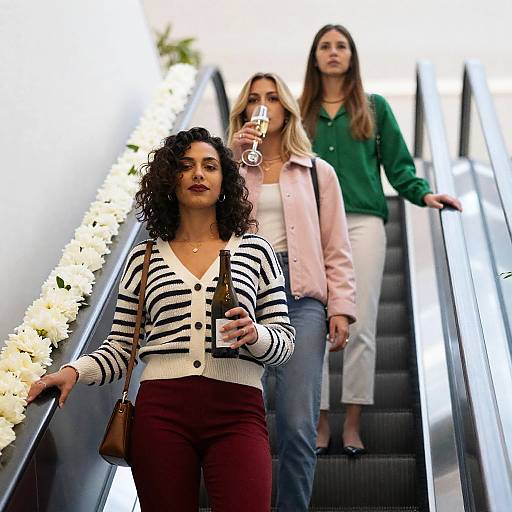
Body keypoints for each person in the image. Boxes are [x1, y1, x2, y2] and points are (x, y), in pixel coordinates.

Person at [27, 127, 296, 512]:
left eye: (210, 166)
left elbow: (285, 341)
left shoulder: (256, 251)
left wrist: (255, 335)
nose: (198, 174)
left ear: (226, 179)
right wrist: (74, 371)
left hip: (239, 411)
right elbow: (122, 347)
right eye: (186, 167)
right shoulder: (145, 258)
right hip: (162, 413)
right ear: (171, 180)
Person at [299, 24, 463, 456]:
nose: (334, 53)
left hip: (364, 224)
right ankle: (319, 421)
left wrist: (424, 193)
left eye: (341, 46)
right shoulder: (299, 112)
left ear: (352, 57)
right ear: (315, 58)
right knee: (311, 323)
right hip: (311, 227)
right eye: (325, 46)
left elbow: (398, 165)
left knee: (361, 324)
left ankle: (352, 422)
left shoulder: (374, 108)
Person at [229, 72, 356, 512]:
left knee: (299, 425)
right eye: (253, 99)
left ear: (287, 107)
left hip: (302, 299)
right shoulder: (227, 169)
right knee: (243, 422)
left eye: (272, 98)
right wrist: (232, 156)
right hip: (244, 299)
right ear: (243, 110)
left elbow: (336, 245)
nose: (263, 106)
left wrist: (340, 306)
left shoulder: (317, 171)